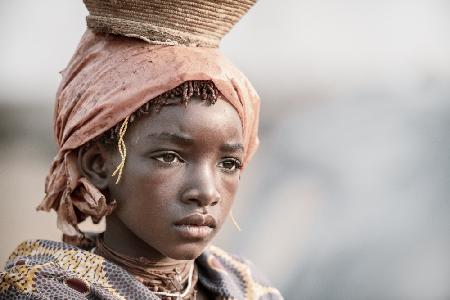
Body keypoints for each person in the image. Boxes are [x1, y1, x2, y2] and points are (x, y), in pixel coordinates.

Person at [0, 1, 283, 299]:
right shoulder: (43, 291)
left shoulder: (249, 289)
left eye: (228, 163)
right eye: (169, 157)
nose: (207, 192)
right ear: (98, 165)